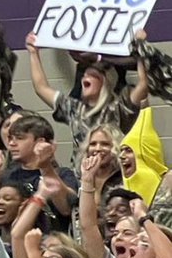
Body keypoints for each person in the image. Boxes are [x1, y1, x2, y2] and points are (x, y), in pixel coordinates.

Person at [24, 30, 147, 165]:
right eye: (84, 75)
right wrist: (33, 53)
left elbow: (143, 85)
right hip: (80, 180)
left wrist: (141, 46)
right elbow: (41, 88)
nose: (85, 77)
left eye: (92, 75)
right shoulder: (75, 109)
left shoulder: (117, 109)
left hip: (111, 178)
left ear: (105, 82)